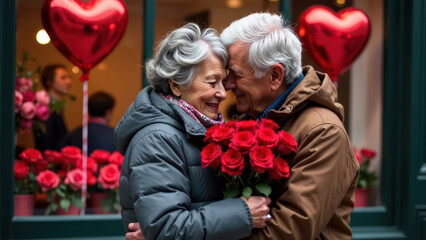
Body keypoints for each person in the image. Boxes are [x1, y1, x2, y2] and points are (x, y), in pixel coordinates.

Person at [127, 12, 360, 240]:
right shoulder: (248, 118)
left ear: (275, 76)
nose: (226, 87)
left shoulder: (322, 131)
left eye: (234, 74)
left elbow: (285, 233)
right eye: (215, 79)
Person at [115, 23, 270, 240]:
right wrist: (244, 213)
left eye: (223, 82)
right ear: (176, 85)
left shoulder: (198, 131)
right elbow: (167, 228)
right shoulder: (158, 139)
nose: (223, 94)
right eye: (212, 82)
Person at [34, 64, 72, 151]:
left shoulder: (56, 106)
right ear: (49, 82)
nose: (69, 81)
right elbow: (46, 144)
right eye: (63, 78)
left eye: (69, 77)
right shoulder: (44, 108)